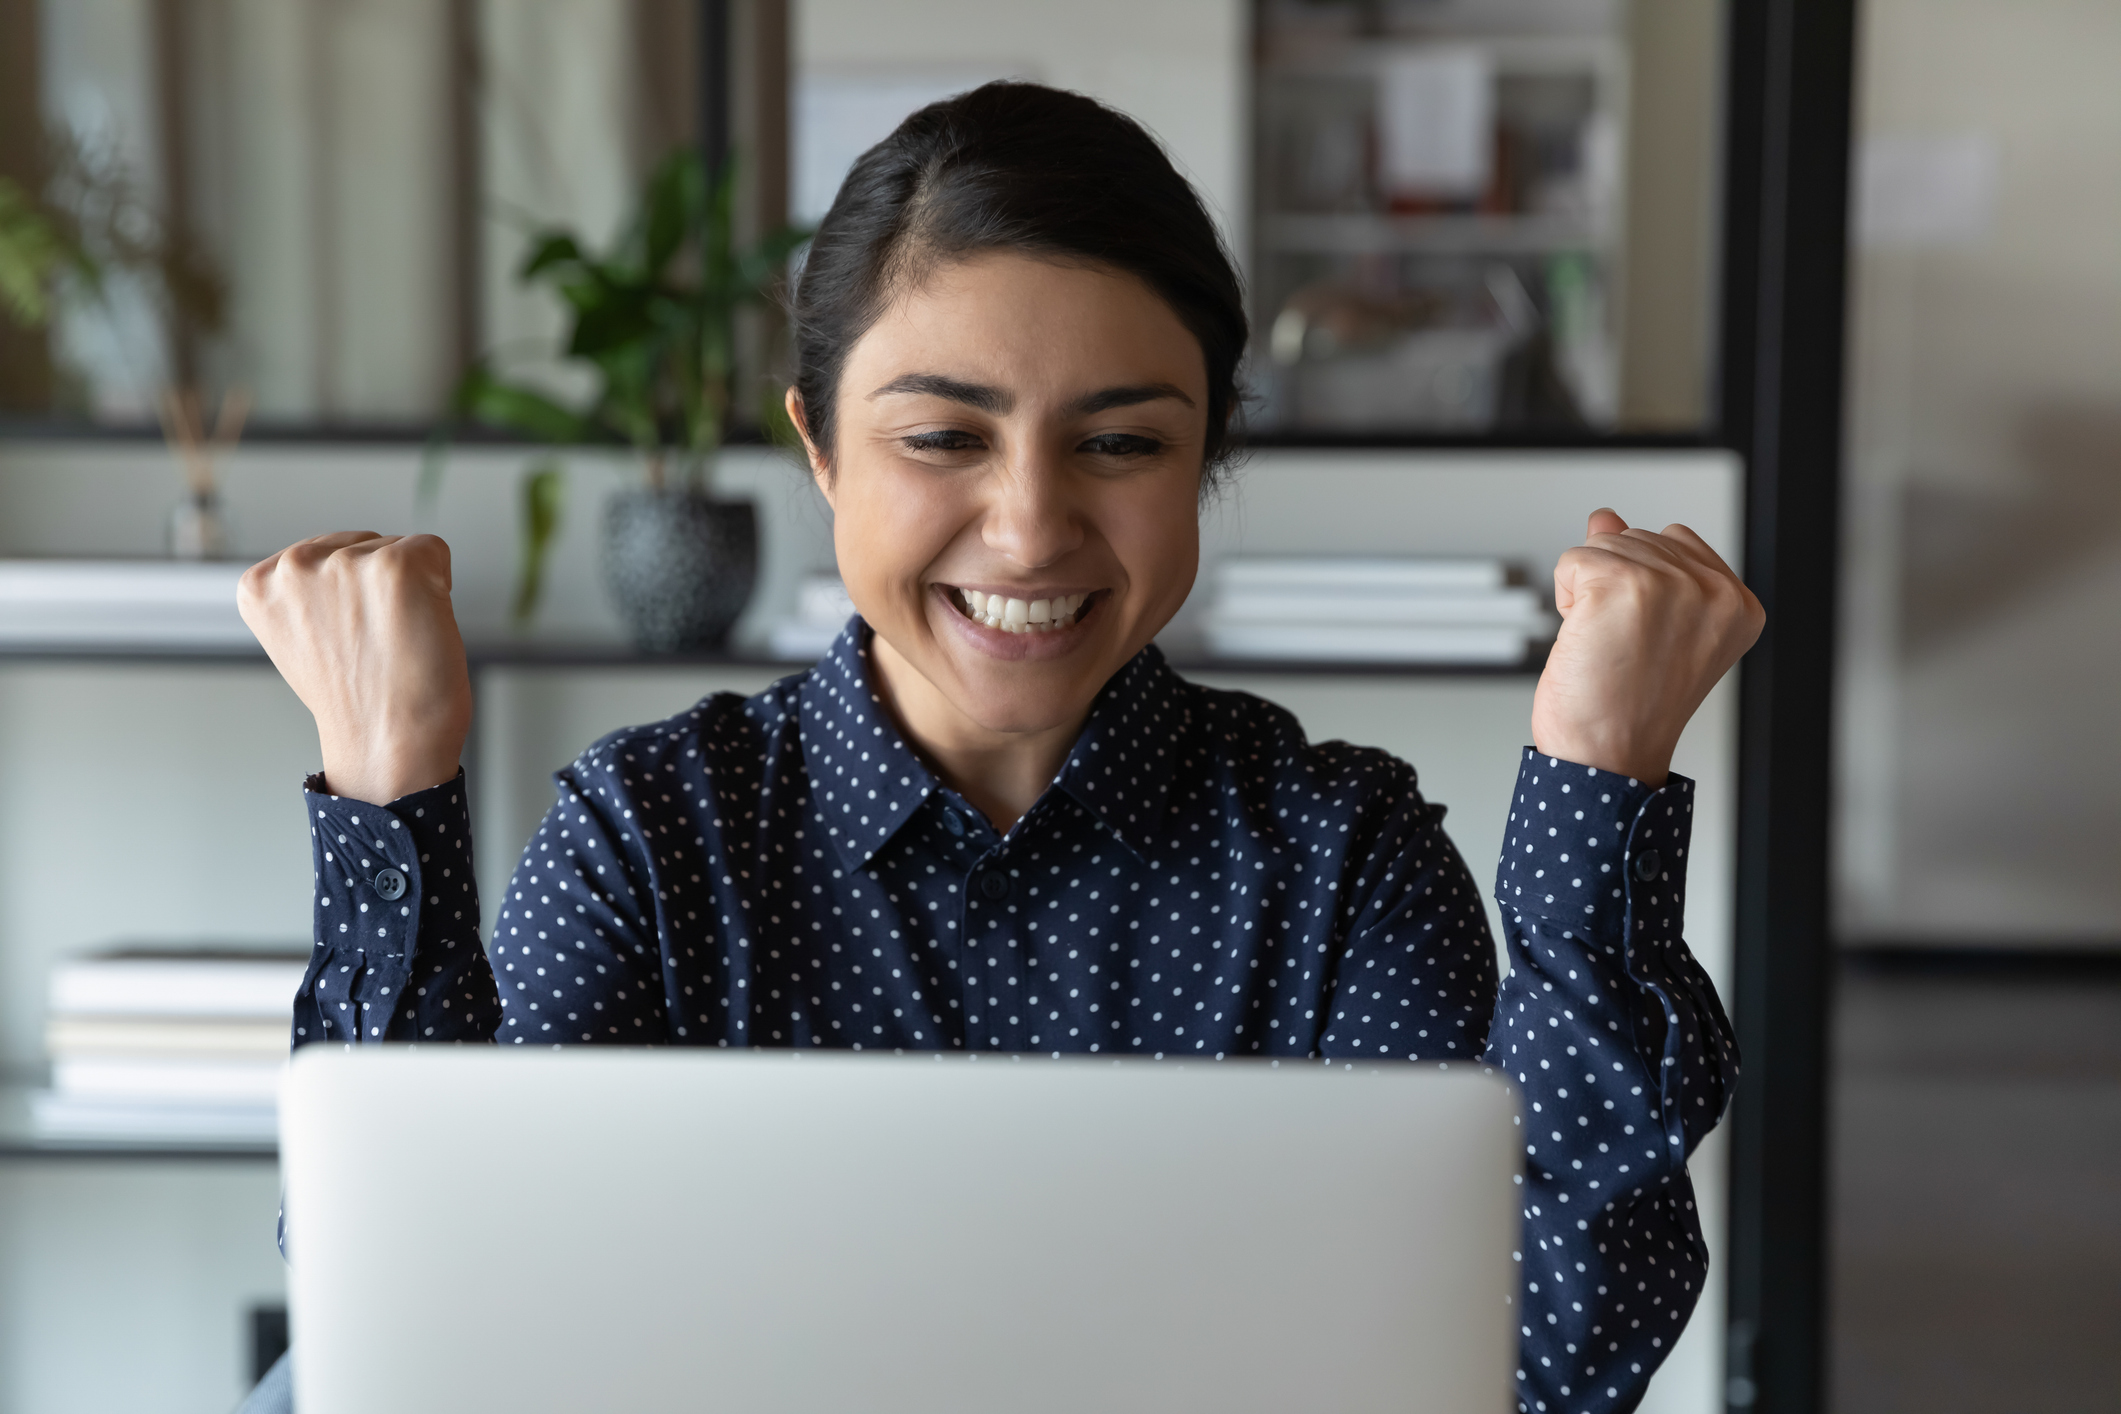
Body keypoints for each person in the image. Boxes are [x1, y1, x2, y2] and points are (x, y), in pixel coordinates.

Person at [237, 82, 1758, 1414]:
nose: (1029, 526)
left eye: (1120, 441)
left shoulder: (1336, 850)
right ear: (818, 448)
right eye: (941, 436)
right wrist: (389, 780)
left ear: (1208, 455)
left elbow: (1535, 1368)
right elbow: (422, 1326)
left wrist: (1598, 777)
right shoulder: (654, 827)